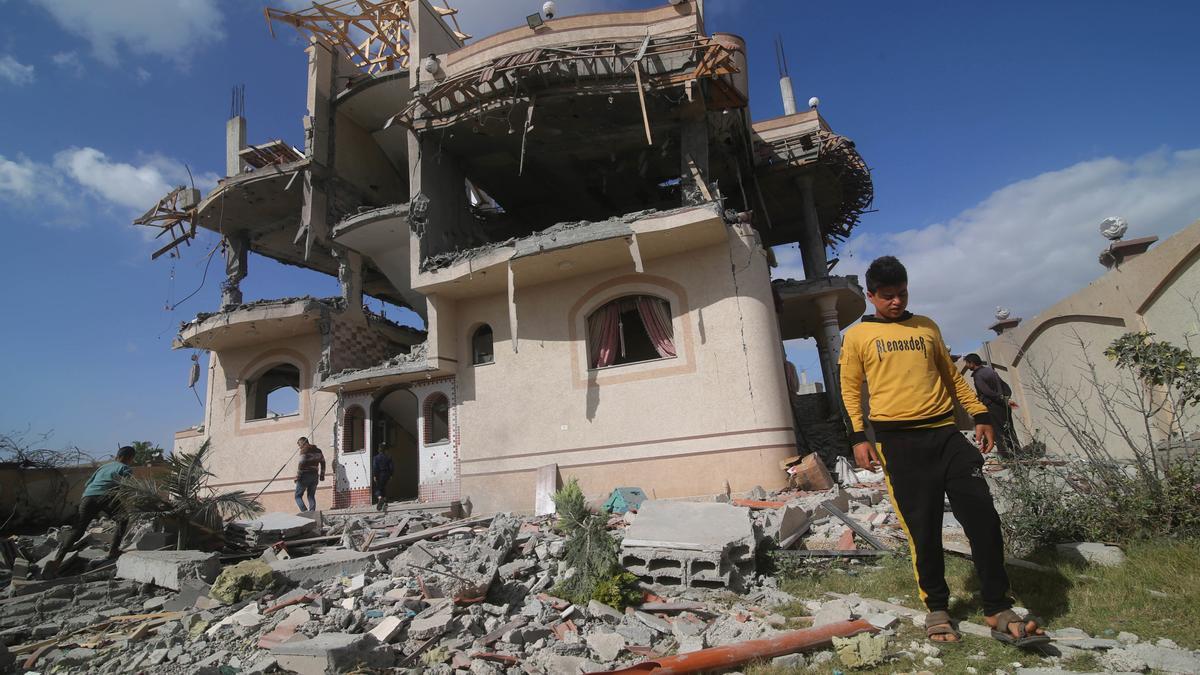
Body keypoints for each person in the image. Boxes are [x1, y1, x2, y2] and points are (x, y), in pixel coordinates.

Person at [838, 256, 1046, 648]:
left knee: (982, 518)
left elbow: (952, 376)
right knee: (924, 529)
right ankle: (937, 606)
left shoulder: (926, 327)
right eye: (887, 297)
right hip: (898, 443)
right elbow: (849, 389)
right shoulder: (857, 337)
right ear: (870, 296)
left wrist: (981, 413)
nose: (896, 302)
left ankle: (997, 606)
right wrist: (858, 438)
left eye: (902, 294)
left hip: (946, 436)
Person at [49, 446, 135, 573]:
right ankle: (114, 550)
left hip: (88, 497)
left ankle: (58, 559)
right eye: (131, 459)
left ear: (117, 455)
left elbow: (88, 484)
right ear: (129, 458)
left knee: (78, 530)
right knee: (123, 519)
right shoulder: (125, 468)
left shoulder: (103, 467)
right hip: (107, 495)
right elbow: (126, 487)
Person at [964, 353, 1019, 455]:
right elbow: (1005, 386)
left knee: (998, 431)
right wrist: (1005, 398)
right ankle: (1018, 453)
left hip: (993, 406)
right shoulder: (990, 371)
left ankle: (1005, 456)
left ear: (971, 363)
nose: (967, 366)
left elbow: (987, 392)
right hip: (1003, 405)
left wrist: (998, 398)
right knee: (1009, 429)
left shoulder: (978, 376)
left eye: (967, 363)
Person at [294, 437, 326, 512]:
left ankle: (305, 512)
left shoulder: (304, 450)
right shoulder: (318, 451)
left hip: (304, 475)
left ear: (303, 443)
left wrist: (298, 476)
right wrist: (322, 475)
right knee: (311, 496)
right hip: (315, 476)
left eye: (299, 445)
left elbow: (301, 463)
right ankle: (312, 512)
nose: (299, 447)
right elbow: (323, 462)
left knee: (297, 496)